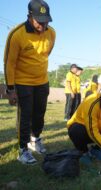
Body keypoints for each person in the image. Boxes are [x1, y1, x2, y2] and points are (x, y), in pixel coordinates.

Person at [3, 0, 55, 164]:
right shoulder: (17, 34)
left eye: (46, 20)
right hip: (23, 82)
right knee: (25, 116)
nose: (43, 24)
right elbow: (9, 63)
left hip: (42, 81)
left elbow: (46, 55)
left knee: (39, 113)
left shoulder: (51, 33)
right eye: (39, 21)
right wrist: (11, 89)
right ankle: (23, 150)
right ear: (29, 16)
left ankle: (35, 139)